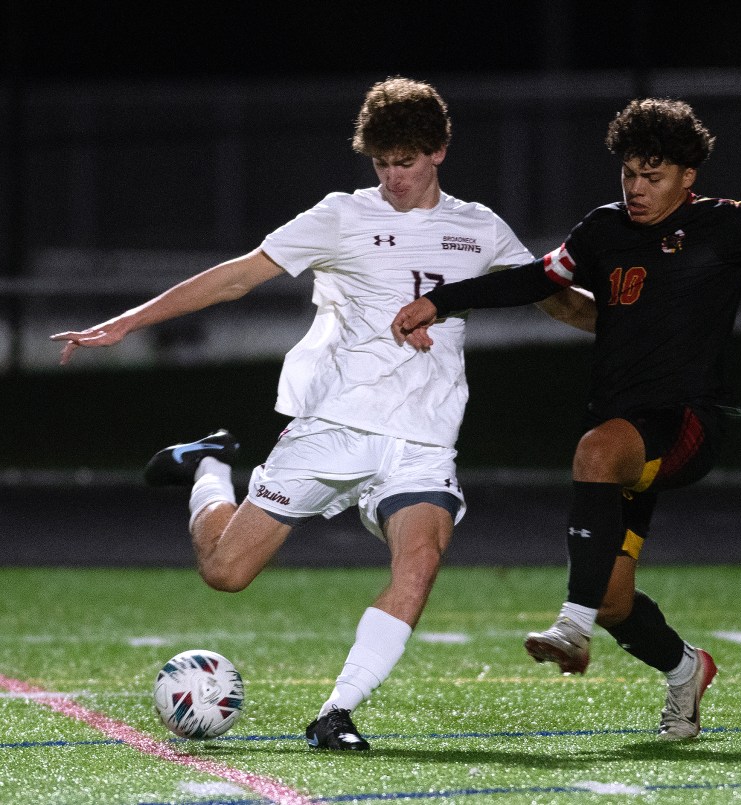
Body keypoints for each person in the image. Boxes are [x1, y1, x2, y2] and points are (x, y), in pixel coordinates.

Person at [391, 97, 741, 741]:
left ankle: (571, 626)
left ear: (688, 178)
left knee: (594, 453)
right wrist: (441, 300)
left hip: (686, 423)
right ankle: (685, 668)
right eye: (629, 174)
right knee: (617, 600)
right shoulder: (602, 229)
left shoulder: (727, 224)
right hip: (626, 429)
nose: (636, 189)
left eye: (652, 176)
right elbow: (533, 281)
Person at [50, 76, 595, 751]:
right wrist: (126, 322)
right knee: (225, 572)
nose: (394, 178)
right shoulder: (342, 214)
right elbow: (237, 276)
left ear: (440, 151)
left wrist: (639, 331)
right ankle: (212, 462)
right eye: (383, 163)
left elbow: (552, 296)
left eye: (407, 162)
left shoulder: (479, 228)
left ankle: (336, 712)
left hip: (422, 438)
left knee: (419, 562)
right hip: (334, 425)